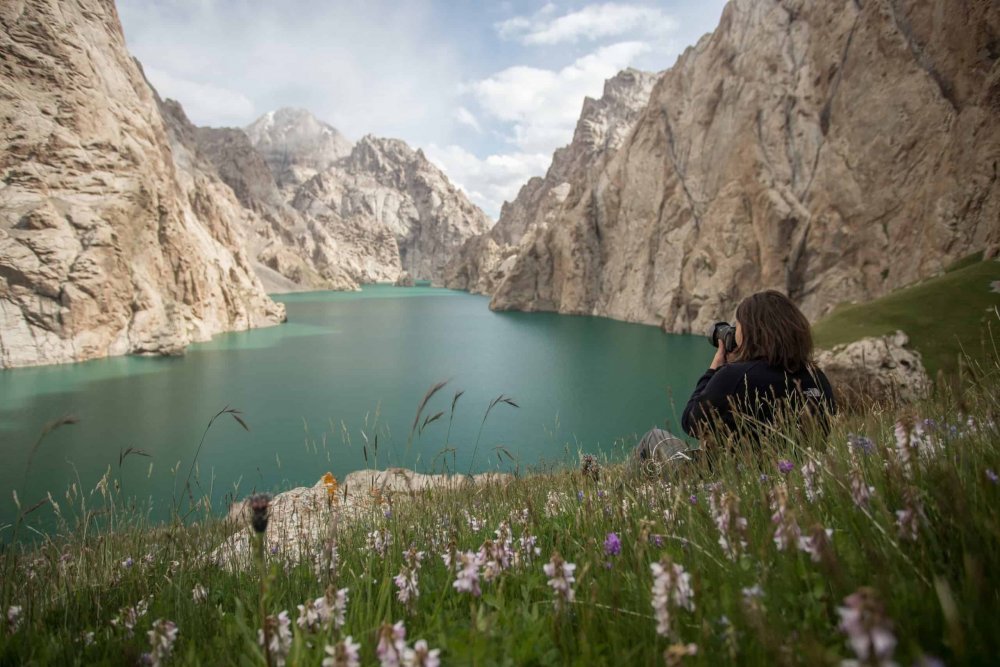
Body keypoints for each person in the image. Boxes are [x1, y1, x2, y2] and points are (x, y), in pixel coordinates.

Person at [635, 290, 836, 468]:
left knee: (654, 438)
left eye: (737, 325)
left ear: (751, 331)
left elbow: (691, 422)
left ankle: (622, 496)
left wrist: (715, 368)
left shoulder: (737, 376)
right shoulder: (817, 377)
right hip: (796, 475)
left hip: (724, 481)